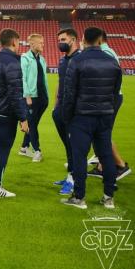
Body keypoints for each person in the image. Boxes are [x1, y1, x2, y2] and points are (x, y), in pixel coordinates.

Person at [61, 27, 122, 210]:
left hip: (82, 117)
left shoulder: (78, 61)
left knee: (79, 156)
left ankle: (79, 198)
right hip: (104, 116)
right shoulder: (112, 62)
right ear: (100, 40)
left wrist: (67, 117)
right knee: (106, 156)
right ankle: (108, 197)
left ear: (84, 40)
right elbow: (115, 92)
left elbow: (69, 93)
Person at [0, 29, 29, 198]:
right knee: (2, 149)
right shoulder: (14, 63)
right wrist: (23, 117)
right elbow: (16, 93)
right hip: (6, 113)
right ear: (14, 42)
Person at [87, 31, 132, 180]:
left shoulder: (105, 52)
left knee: (102, 133)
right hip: (110, 97)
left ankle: (120, 165)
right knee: (100, 132)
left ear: (99, 40)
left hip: (108, 97)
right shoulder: (108, 51)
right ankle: (102, 166)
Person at [51, 28, 79, 195]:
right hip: (60, 111)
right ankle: (70, 174)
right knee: (68, 146)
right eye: (59, 39)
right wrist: (55, 106)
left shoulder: (80, 60)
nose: (60, 42)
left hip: (73, 113)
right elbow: (60, 84)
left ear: (73, 40)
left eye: (63, 39)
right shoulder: (63, 61)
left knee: (74, 146)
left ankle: (73, 179)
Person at [18, 34, 48, 162]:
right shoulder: (24, 58)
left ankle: (24, 147)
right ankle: (37, 150)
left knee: (32, 123)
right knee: (33, 124)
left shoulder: (42, 59)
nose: (43, 44)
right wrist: (27, 96)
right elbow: (23, 79)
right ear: (32, 44)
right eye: (40, 42)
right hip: (31, 98)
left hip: (43, 98)